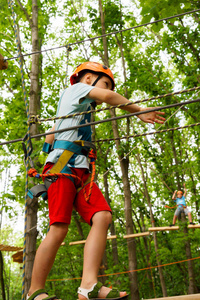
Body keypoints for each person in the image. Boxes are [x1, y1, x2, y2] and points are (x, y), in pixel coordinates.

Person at [27, 62, 165, 300]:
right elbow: (108, 96)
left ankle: (88, 285)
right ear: (88, 79)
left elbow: (51, 135)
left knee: (102, 216)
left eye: (108, 86)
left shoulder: (81, 108)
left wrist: (57, 130)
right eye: (105, 83)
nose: (103, 94)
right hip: (63, 167)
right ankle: (34, 292)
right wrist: (139, 110)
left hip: (81, 171)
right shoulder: (76, 90)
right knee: (59, 228)